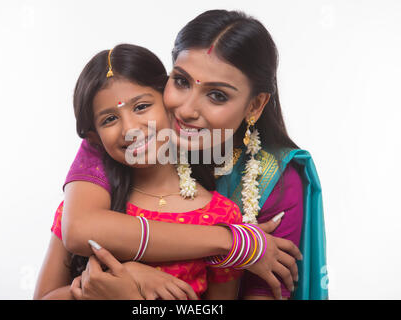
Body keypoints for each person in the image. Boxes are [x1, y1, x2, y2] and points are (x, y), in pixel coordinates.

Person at [54, 9, 327, 300]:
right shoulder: (128, 138)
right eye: (182, 82)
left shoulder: (277, 181)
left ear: (255, 105)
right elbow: (80, 229)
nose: (186, 110)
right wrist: (231, 241)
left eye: (217, 95)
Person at [35, 44, 271, 300]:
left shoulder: (220, 215)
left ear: (170, 102)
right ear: (95, 137)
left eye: (141, 107)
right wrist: (127, 275)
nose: (129, 128)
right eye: (109, 119)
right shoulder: (84, 209)